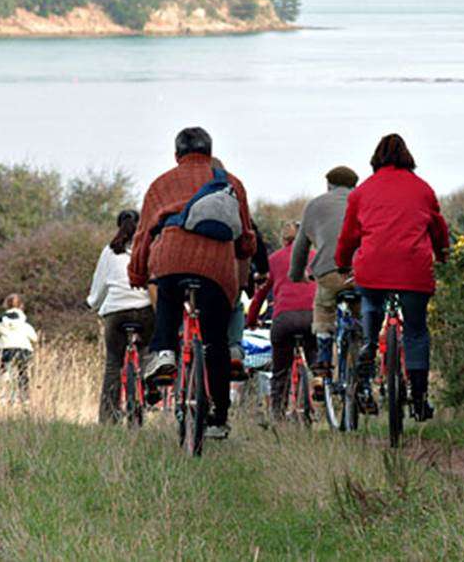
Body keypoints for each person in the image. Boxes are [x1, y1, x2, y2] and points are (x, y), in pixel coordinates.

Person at [129, 127, 256, 440]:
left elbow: (144, 236)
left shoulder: (160, 184)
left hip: (170, 259)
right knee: (215, 341)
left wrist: (137, 273)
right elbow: (246, 239)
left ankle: (164, 353)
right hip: (217, 268)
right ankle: (217, 420)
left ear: (177, 155)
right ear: (210, 153)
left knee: (169, 302)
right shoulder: (230, 182)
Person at [335, 134, 449, 420]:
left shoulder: (361, 192)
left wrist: (341, 263)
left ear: (376, 160)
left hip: (373, 269)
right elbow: (438, 229)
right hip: (414, 270)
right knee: (416, 331)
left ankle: (367, 361)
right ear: (408, 157)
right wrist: (443, 255)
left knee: (371, 311)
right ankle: (420, 399)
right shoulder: (423, 189)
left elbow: (349, 235)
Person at [87, 209, 156, 424]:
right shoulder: (150, 248)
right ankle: (144, 396)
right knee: (145, 355)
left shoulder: (109, 251)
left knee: (113, 365)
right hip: (145, 310)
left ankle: (108, 419)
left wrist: (93, 304)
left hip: (116, 312)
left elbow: (99, 287)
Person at [289, 166, 360, 372]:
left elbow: (301, 247)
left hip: (329, 271)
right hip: (360, 272)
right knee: (363, 314)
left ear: (329, 184)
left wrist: (296, 274)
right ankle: (364, 372)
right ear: (354, 185)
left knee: (323, 306)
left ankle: (325, 355)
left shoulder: (314, 206)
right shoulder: (363, 201)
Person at [247, 222, 318, 418]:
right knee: (314, 352)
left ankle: (277, 415)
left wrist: (251, 320)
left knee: (280, 371)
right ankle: (320, 379)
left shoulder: (274, 259)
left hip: (284, 319)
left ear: (283, 240)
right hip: (312, 315)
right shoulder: (314, 258)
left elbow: (260, 296)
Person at [0, 294, 39, 405]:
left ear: (5, 306)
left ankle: (3, 399)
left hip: (4, 352)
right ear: (21, 306)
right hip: (23, 351)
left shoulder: (0, 324)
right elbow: (35, 338)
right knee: (23, 374)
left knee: (4, 374)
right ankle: (24, 400)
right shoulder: (25, 325)